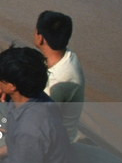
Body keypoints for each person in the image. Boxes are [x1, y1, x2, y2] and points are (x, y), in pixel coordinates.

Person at [34, 11, 85, 140]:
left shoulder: (56, 83)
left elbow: (37, 121)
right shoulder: (69, 56)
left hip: (53, 142)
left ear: (40, 38)